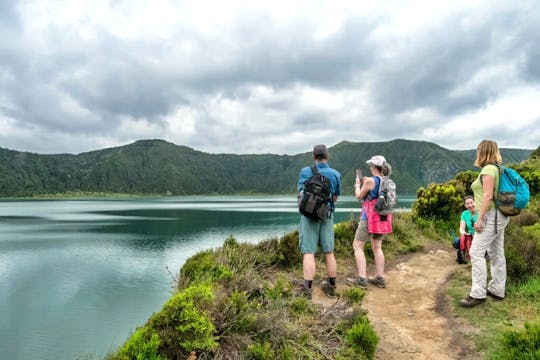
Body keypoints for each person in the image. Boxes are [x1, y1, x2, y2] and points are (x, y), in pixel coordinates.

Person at [460, 140, 510, 308]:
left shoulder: (488, 169)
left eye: (479, 150)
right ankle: (497, 289)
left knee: (475, 252)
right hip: (499, 216)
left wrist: (479, 219)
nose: (477, 153)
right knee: (496, 252)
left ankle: (478, 294)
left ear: (483, 152)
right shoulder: (497, 168)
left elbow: (488, 196)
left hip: (491, 216)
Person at [296, 144, 342, 299]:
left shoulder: (305, 172)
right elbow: (335, 197)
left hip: (309, 217)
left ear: (313, 157)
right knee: (329, 252)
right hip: (326, 216)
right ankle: (331, 286)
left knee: (308, 252)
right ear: (327, 156)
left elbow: (301, 193)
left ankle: (307, 289)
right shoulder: (335, 174)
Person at [346, 155, 393, 289]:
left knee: (357, 246)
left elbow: (359, 196)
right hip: (383, 217)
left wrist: (357, 185)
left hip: (369, 218)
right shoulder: (386, 181)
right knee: (377, 247)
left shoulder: (369, 182)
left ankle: (362, 279)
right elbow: (375, 189)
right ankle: (380, 278)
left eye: (370, 166)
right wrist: (367, 181)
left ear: (373, 167)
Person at [458, 195, 479, 263]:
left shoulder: (480, 212)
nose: (470, 205)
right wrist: (465, 234)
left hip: (480, 235)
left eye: (471, 202)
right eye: (467, 204)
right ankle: (463, 255)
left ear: (475, 202)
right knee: (457, 241)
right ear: (465, 205)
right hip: (470, 235)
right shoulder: (465, 214)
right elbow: (461, 229)